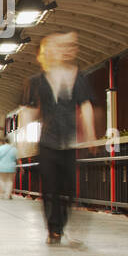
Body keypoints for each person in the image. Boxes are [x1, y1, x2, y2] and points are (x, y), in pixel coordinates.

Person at [20, 32, 94, 244]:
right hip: (48, 142)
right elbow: (29, 110)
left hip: (70, 142)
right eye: (47, 50)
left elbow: (86, 104)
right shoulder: (35, 81)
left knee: (69, 188)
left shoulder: (77, 76)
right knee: (50, 187)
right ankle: (54, 229)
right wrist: (25, 138)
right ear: (41, 56)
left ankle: (60, 222)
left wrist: (90, 133)